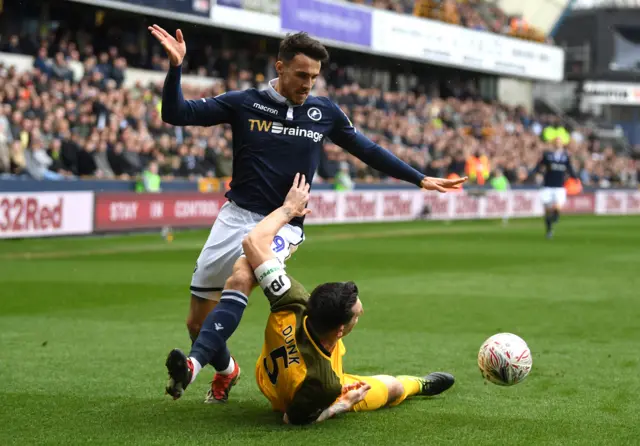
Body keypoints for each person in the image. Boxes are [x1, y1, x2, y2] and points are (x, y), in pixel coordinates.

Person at [149, 25, 466, 403]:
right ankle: (226, 370)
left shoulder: (324, 111)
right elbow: (175, 113)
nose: (308, 84)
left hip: (285, 222)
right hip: (235, 217)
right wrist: (176, 68)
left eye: (314, 77)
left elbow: (366, 149)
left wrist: (418, 179)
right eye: (301, 75)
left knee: (242, 274)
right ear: (279, 67)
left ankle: (191, 367)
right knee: (197, 323)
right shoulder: (243, 103)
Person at [165, 174, 455, 423]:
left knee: (219, 302)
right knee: (389, 388)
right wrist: (342, 403)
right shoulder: (325, 382)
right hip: (291, 397)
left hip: (266, 373)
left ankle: (218, 369)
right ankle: (418, 384)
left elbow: (253, 242)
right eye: (357, 313)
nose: (361, 312)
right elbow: (293, 419)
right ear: (340, 331)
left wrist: (288, 209)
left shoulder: (292, 298)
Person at [530, 137, 578, 238]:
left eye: (559, 142)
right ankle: (549, 230)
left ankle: (555, 216)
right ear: (553, 144)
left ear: (562, 144)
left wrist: (575, 177)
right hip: (547, 186)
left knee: (557, 207)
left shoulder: (565, 156)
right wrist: (533, 173)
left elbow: (569, 168)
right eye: (556, 142)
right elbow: (539, 166)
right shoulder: (547, 155)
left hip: (559, 187)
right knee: (547, 211)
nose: (557, 144)